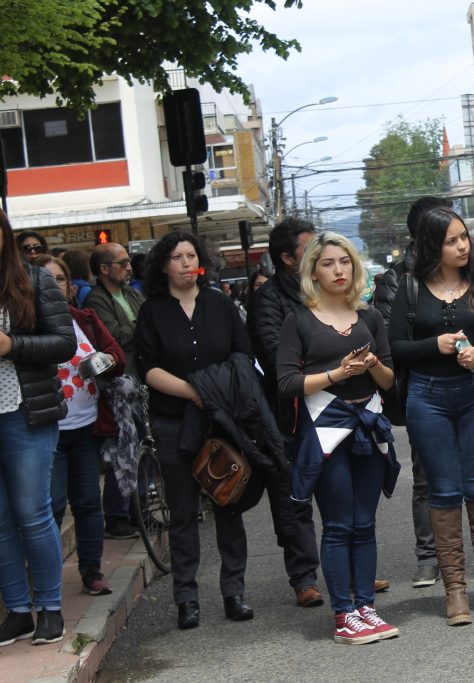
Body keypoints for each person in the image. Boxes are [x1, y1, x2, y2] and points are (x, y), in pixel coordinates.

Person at [389, 207, 474, 626]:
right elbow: (396, 348)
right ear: (433, 245)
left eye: (463, 237)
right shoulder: (411, 288)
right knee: (444, 493)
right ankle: (455, 592)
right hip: (427, 398)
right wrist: (436, 344)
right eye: (451, 240)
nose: (462, 246)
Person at [277, 232, 400, 645]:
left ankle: (367, 607)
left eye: (344, 262)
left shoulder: (370, 317)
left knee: (365, 523)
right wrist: (337, 374)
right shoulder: (300, 319)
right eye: (328, 263)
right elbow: (287, 383)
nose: (338, 270)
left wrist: (369, 366)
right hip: (326, 428)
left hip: (369, 422)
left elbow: (389, 379)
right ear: (313, 270)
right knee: (338, 524)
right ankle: (344, 613)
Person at [135, 232, 256, 629]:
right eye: (176, 257)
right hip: (172, 420)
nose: (186, 263)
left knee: (227, 502)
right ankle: (186, 598)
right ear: (163, 265)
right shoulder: (152, 310)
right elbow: (147, 367)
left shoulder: (220, 303)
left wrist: (213, 392)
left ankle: (233, 592)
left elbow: (242, 353)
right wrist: (193, 391)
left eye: (191, 255)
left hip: (221, 419)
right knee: (183, 512)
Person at [0, 209, 76, 646]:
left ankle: (49, 607)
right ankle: (16, 610)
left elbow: (64, 343)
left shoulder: (33, 279)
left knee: (32, 512)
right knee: (1, 520)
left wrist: (13, 345)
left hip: (24, 412)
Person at [245, 217, 325, 607]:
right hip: (288, 412)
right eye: (309, 249)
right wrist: (327, 366)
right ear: (287, 259)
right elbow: (277, 357)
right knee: (294, 500)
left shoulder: (326, 288)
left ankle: (346, 566)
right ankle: (304, 578)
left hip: (333, 404)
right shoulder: (268, 299)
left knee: (340, 490)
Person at [34, 255, 125, 597]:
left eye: (59, 279)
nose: (53, 285)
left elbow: (117, 355)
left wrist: (101, 362)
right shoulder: (25, 328)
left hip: (87, 428)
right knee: (53, 505)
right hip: (47, 432)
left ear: (70, 287)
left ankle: (92, 571)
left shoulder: (84, 319)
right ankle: (47, 581)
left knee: (87, 502)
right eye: (45, 278)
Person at [374, 197, 452, 588]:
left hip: (470, 384)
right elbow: (390, 341)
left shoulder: (469, 269)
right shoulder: (396, 281)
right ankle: (428, 555)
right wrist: (435, 344)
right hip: (424, 388)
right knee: (426, 477)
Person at [83, 242, 144, 540]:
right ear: (104, 269)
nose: (129, 267)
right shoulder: (95, 300)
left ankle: (139, 510)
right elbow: (112, 337)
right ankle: (118, 516)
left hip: (141, 380)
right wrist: (141, 327)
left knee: (141, 445)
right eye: (122, 262)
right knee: (120, 450)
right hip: (117, 385)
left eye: (129, 261)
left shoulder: (132, 293)